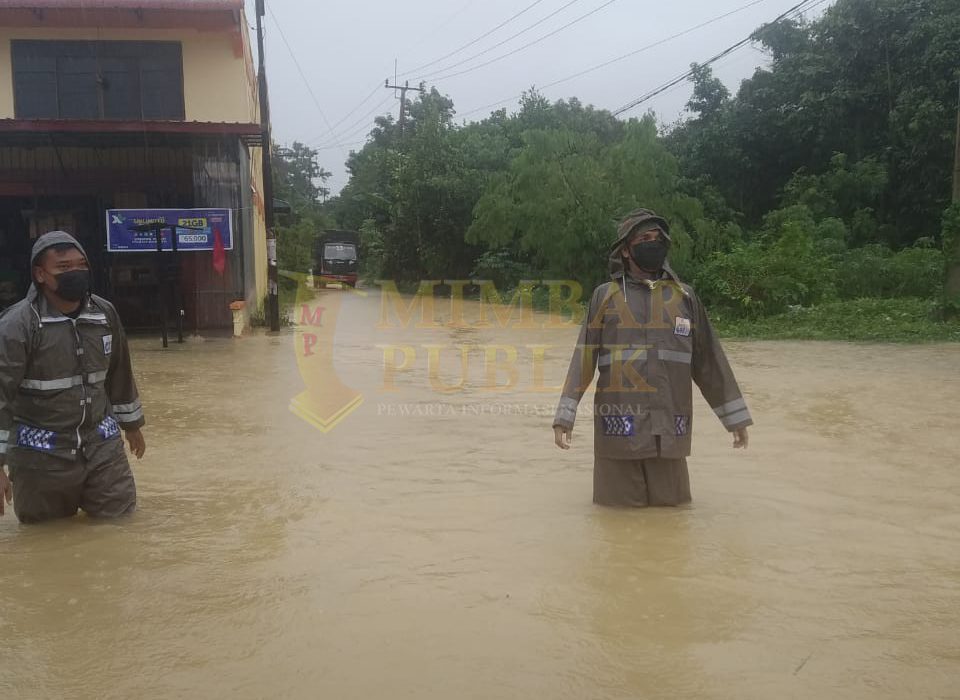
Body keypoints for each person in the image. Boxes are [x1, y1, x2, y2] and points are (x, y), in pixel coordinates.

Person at [552, 209, 752, 507]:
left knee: (674, 520)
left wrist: (734, 419)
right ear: (626, 250)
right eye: (644, 238)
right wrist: (564, 417)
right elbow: (583, 360)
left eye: (658, 238)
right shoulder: (604, 297)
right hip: (618, 434)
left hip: (670, 432)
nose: (653, 244)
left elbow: (709, 362)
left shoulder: (684, 297)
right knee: (616, 524)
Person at [0, 231, 146, 524]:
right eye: (64, 268)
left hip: (102, 451)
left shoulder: (104, 315)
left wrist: (131, 426)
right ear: (40, 274)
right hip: (41, 460)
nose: (76, 273)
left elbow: (119, 373)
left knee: (121, 529)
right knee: (47, 542)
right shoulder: (18, 326)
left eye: (81, 265)